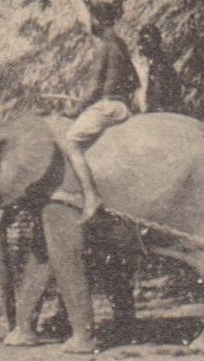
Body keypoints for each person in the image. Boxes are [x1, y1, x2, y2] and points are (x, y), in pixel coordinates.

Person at [50, 18, 141, 224]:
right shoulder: (121, 46)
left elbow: (94, 85)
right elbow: (134, 82)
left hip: (107, 106)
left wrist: (76, 108)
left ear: (98, 22)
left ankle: (91, 196)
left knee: (70, 139)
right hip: (123, 107)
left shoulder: (103, 46)